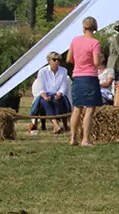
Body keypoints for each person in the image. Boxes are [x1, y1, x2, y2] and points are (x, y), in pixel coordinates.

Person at [67, 16, 103, 147]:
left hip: (77, 77)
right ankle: (85, 139)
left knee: (77, 108)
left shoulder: (75, 40)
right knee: (89, 109)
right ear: (95, 28)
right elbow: (96, 62)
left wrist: (79, 63)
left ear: (83, 27)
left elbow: (69, 58)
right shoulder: (95, 43)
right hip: (90, 77)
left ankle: (72, 138)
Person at [32, 51, 71, 134]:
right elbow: (41, 87)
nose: (57, 61)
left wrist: (59, 94)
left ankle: (56, 126)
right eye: (54, 59)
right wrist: (45, 96)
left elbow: (64, 86)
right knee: (45, 102)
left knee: (56, 101)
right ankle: (56, 125)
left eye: (58, 60)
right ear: (49, 61)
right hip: (45, 95)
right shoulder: (42, 71)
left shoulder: (63, 71)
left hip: (57, 95)